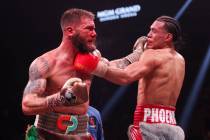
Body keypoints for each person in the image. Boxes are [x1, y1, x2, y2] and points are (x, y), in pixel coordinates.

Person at [74, 15, 185, 140]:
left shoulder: (152, 54)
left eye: (154, 31)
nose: (148, 34)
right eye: (150, 30)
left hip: (149, 125)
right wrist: (135, 55)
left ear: (168, 37)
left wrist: (95, 67)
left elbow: (125, 77)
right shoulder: (179, 59)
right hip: (172, 126)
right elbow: (124, 65)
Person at [22, 8, 97, 140]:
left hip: (79, 135)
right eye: (89, 29)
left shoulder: (92, 59)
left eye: (94, 29)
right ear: (70, 31)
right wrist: (61, 98)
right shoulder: (45, 63)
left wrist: (138, 54)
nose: (94, 33)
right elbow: (27, 104)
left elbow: (115, 68)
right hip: (46, 135)